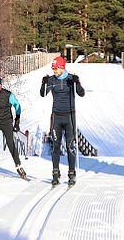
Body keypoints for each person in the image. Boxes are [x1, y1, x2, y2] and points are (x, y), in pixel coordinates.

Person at [40, 56, 85, 186]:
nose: (54, 71)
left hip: (70, 117)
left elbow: (81, 93)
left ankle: (72, 173)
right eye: (53, 68)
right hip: (56, 117)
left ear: (62, 67)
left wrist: (78, 83)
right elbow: (43, 94)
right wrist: (43, 83)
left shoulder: (71, 78)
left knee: (70, 146)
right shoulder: (52, 80)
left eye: (56, 68)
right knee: (55, 146)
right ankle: (55, 173)